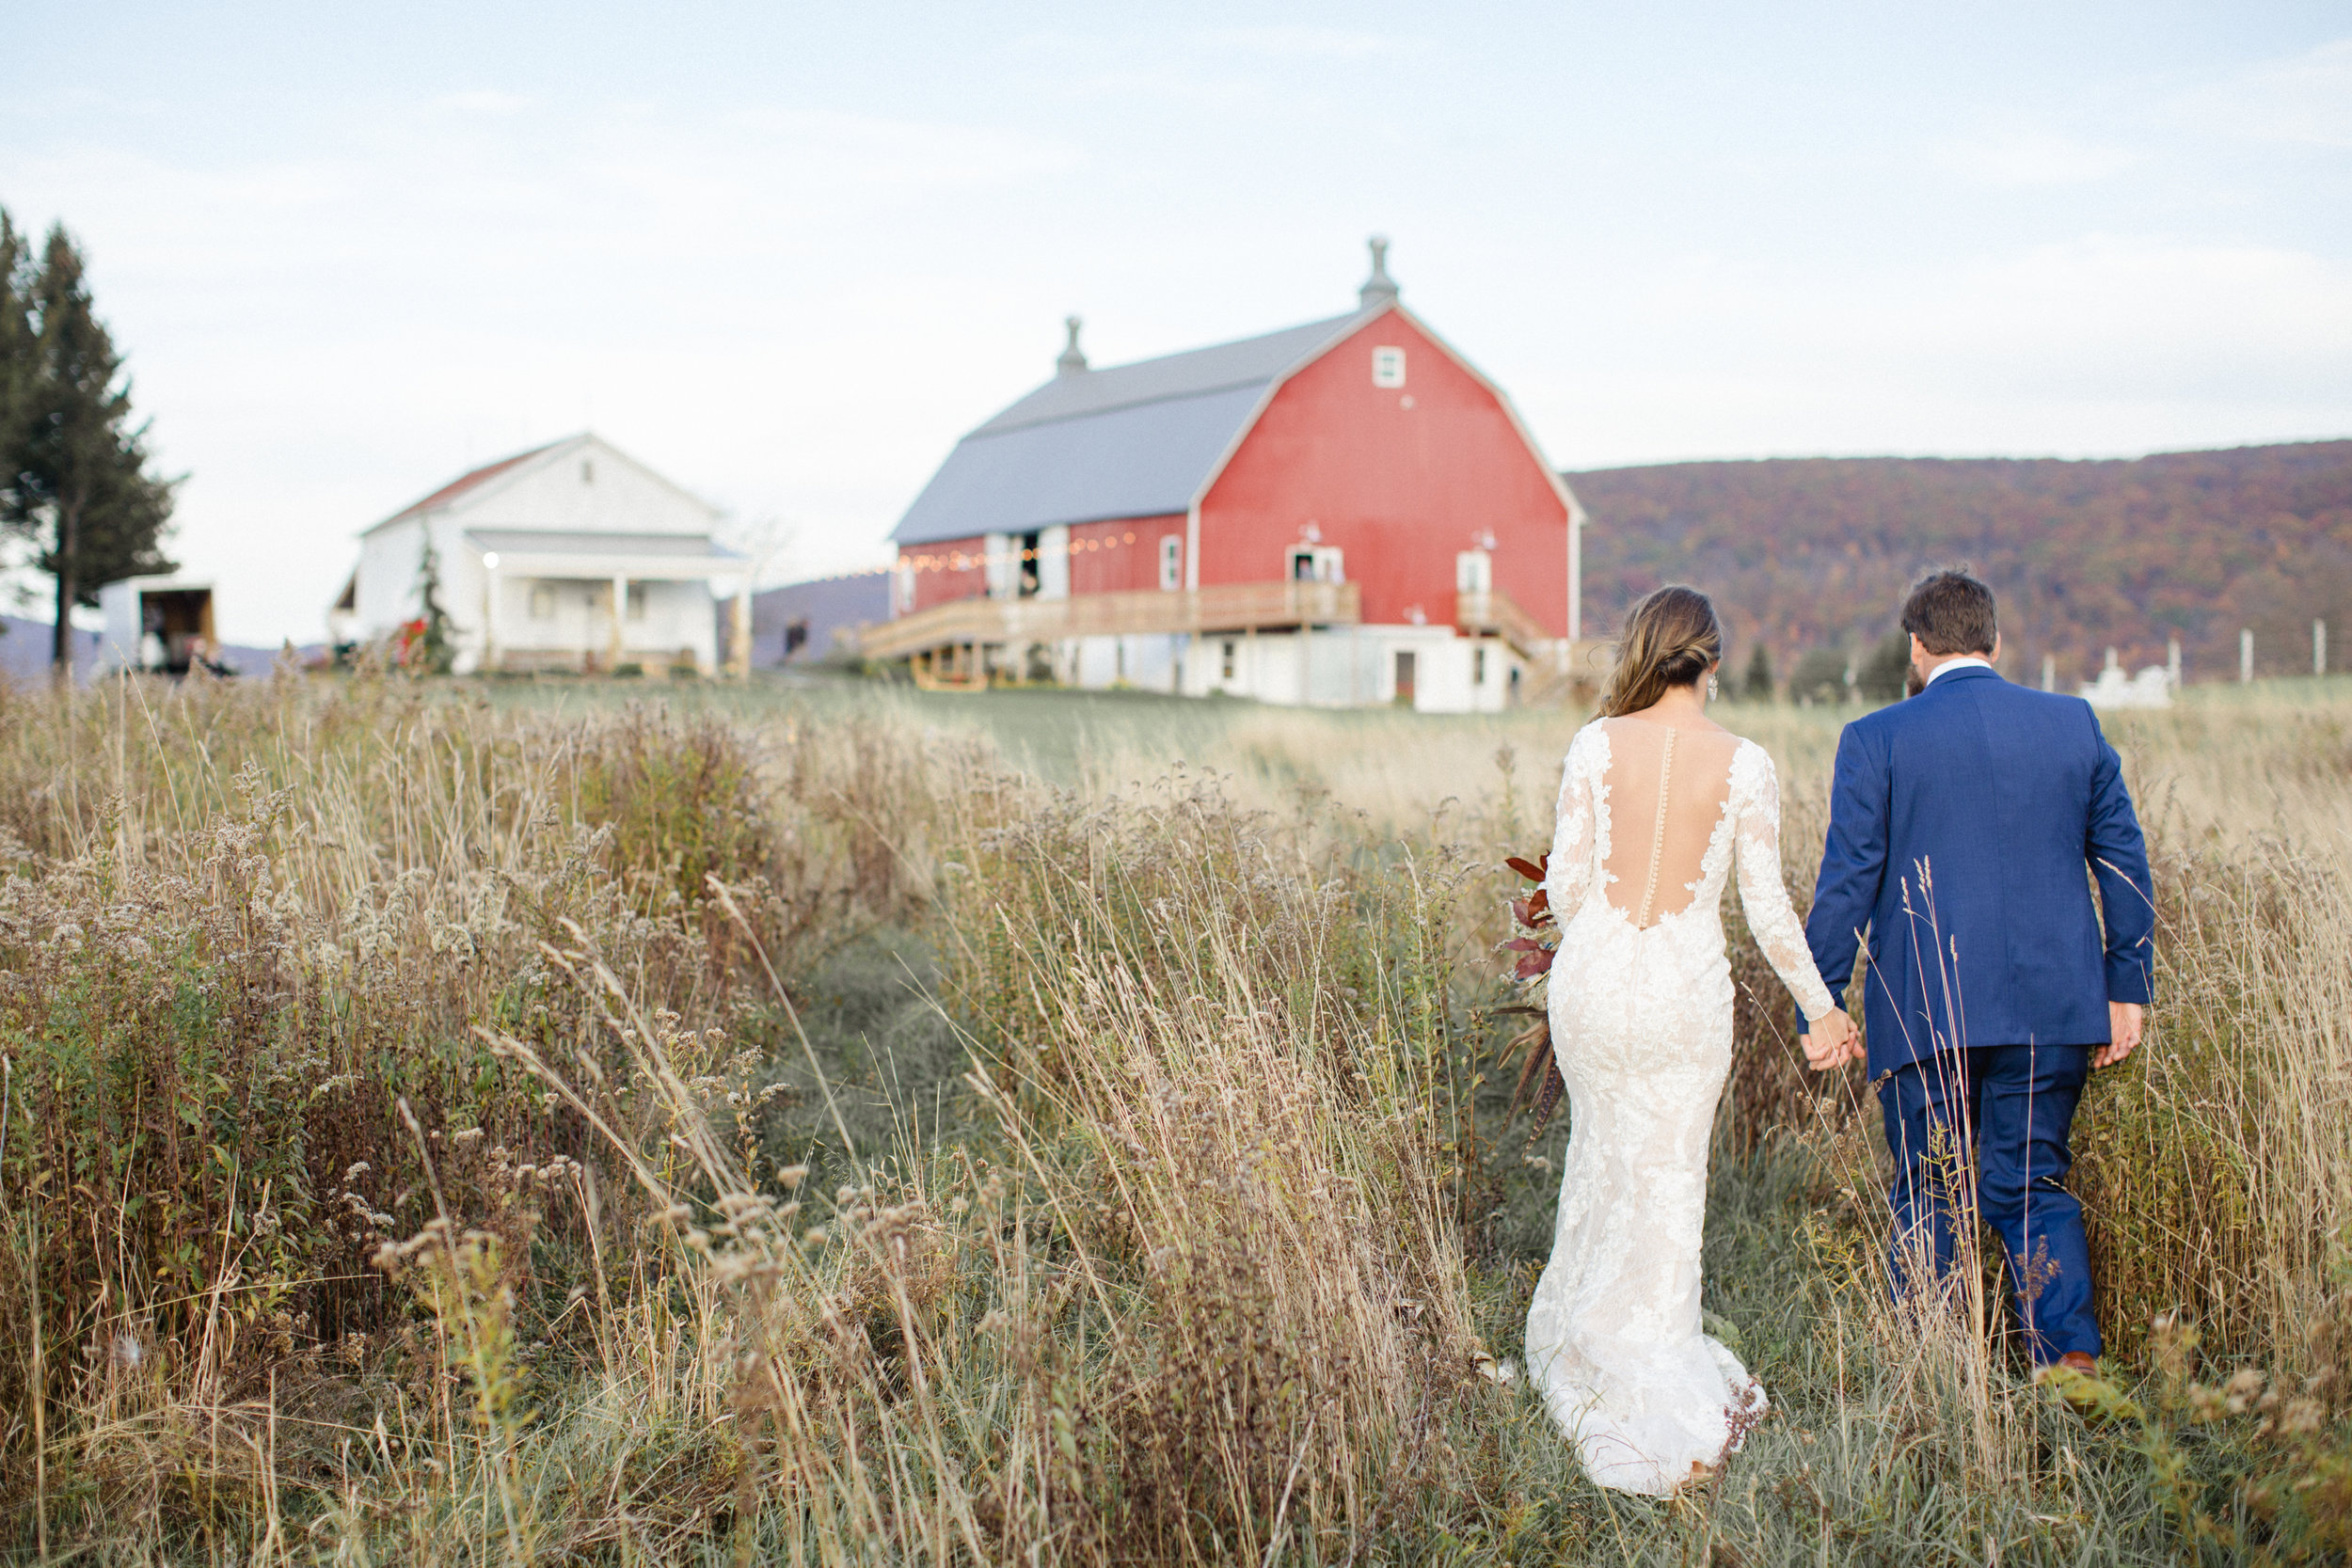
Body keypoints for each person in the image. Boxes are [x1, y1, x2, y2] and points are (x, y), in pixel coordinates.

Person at [1525, 585, 1856, 1497]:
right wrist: (1820, 1008)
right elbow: (1765, 905)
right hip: (1680, 993)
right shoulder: (1745, 762)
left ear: (1642, 650)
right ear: (1709, 659)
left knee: (1600, 1149)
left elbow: (1561, 889)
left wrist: (1597, 909)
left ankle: (1586, 1327)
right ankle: (1648, 1345)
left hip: (1593, 983)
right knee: (1668, 1172)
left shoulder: (1592, 744)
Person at [1799, 569, 2153, 1378]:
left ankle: (1930, 1366)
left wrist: (1819, 1001)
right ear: (1994, 641)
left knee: (1927, 1187)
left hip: (1925, 1008)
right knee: (2031, 1181)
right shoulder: (2073, 723)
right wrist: (2126, 983)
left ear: (1916, 646)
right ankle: (2067, 1361)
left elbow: (1848, 880)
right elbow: (2123, 861)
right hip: (2053, 1006)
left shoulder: (1875, 736)